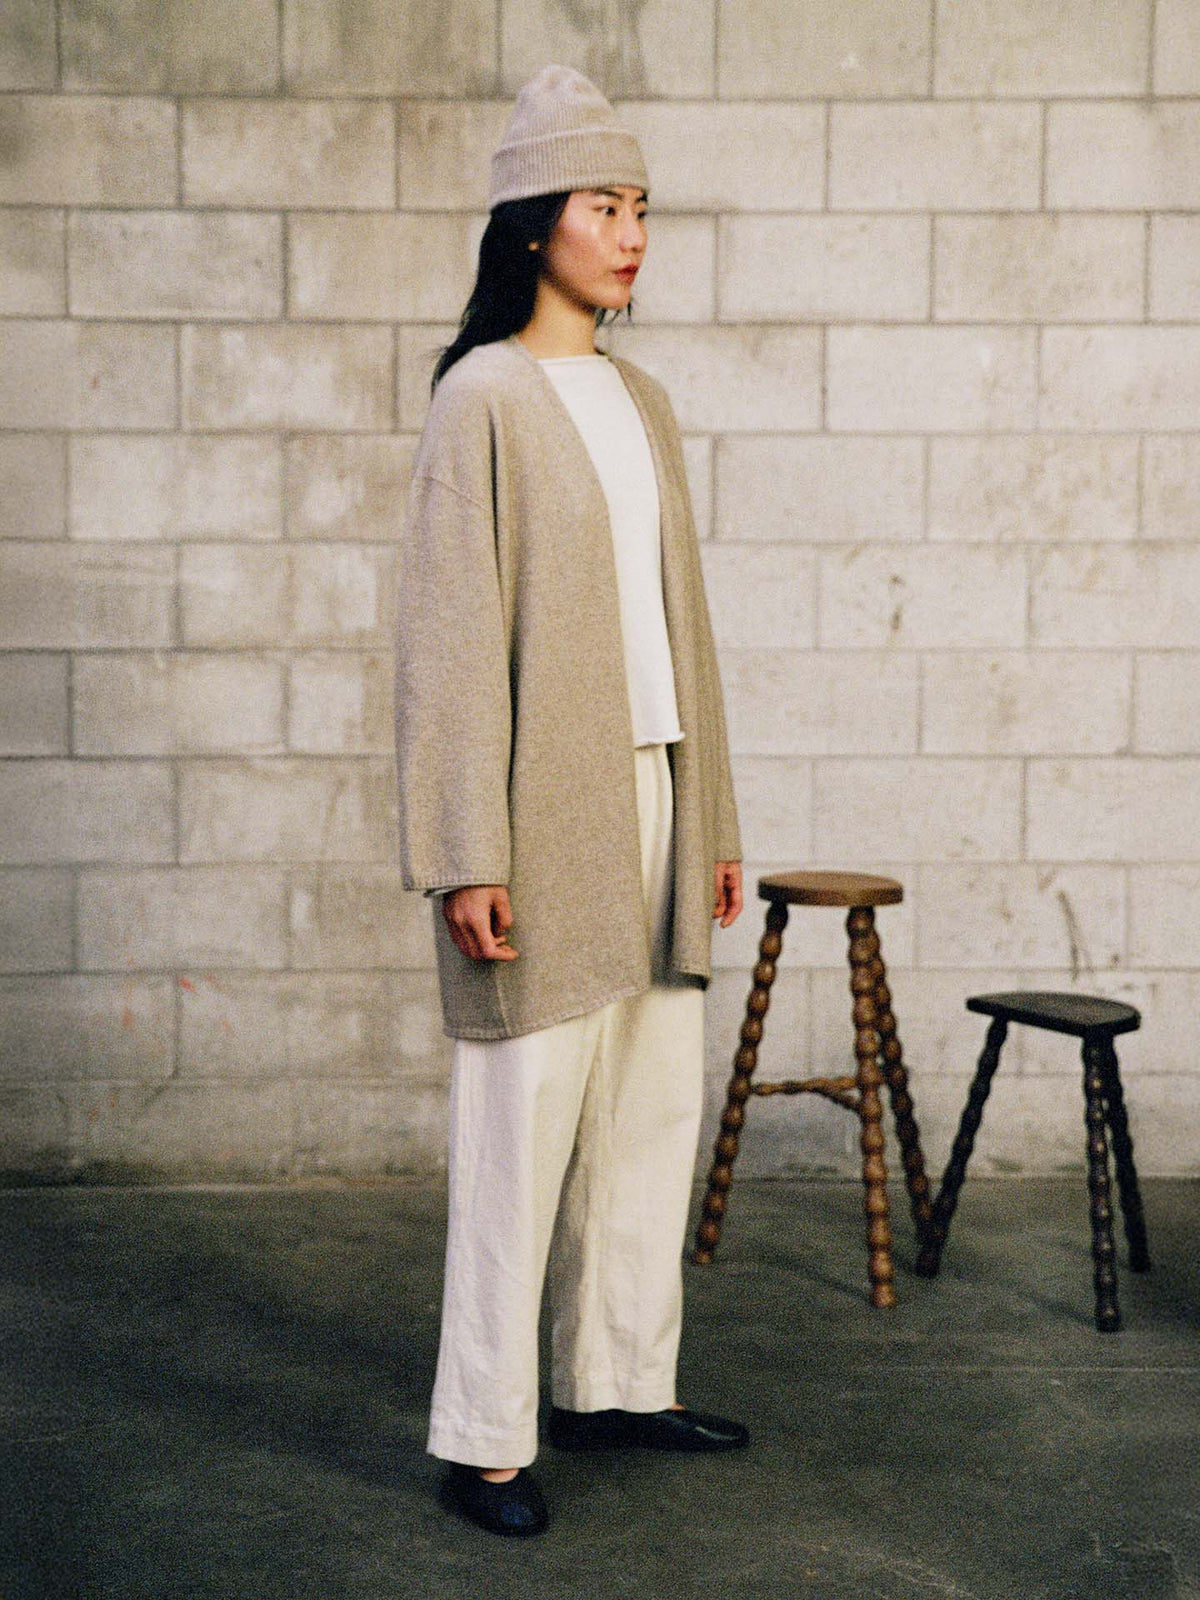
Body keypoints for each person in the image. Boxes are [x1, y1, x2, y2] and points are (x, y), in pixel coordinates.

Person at [394, 63, 748, 1538]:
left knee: (652, 1102)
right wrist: (463, 852)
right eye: (607, 206)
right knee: (521, 1121)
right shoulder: (481, 398)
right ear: (534, 222)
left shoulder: (642, 401)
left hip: (659, 793)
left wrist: (713, 820)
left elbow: (687, 628)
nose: (633, 234)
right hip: (541, 814)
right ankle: (485, 1440)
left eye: (642, 207)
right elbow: (450, 642)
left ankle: (620, 1380)